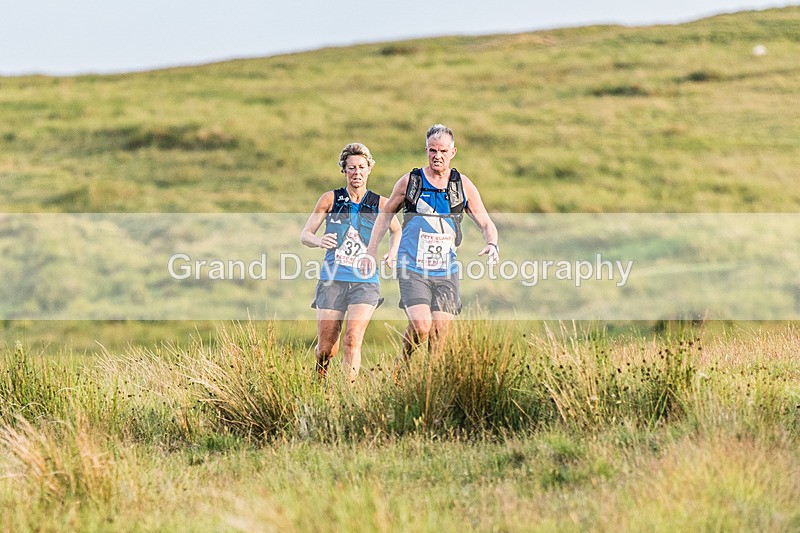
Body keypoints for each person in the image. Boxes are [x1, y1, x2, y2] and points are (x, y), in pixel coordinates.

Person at [361, 124, 499, 358]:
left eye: (443, 151)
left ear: (453, 152)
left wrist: (492, 243)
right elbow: (385, 215)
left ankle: (431, 380)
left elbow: (485, 223)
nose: (438, 156)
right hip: (412, 266)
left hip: (446, 269)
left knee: (440, 332)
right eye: (433, 150)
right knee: (422, 327)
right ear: (426, 150)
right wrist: (370, 251)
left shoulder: (462, 185)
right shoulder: (410, 182)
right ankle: (403, 364)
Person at [301, 142, 401, 382]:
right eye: (351, 168)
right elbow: (305, 235)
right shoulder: (329, 199)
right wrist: (318, 240)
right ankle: (320, 377)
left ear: (369, 170)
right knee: (326, 348)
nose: (357, 173)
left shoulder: (380, 204)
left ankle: (348, 395)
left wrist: (392, 252)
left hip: (365, 283)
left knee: (352, 338)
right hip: (332, 280)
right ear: (344, 170)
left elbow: (397, 230)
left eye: (361, 167)